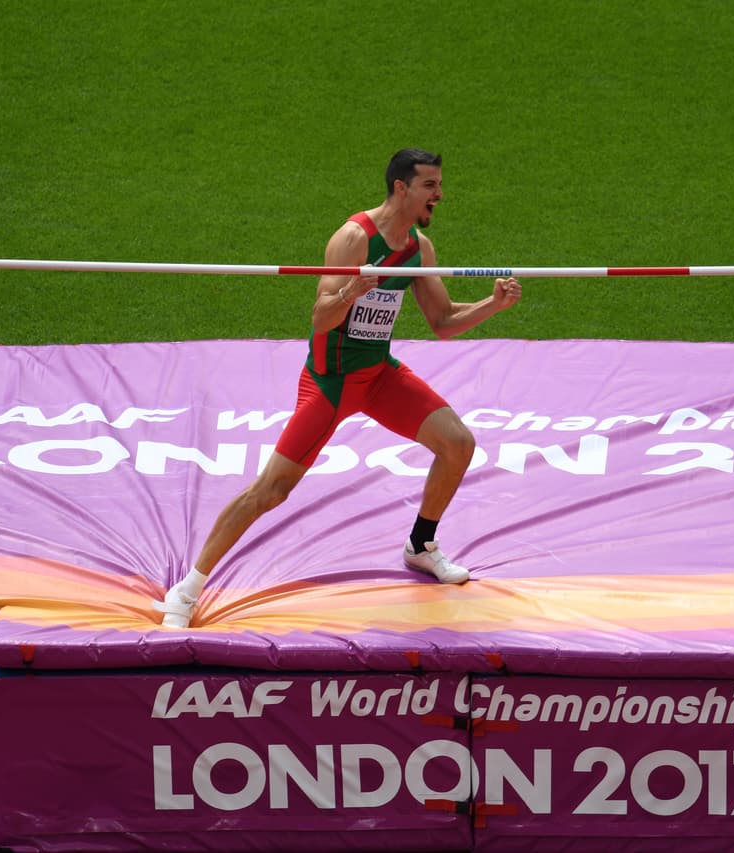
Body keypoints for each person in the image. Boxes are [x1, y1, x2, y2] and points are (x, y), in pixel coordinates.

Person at [155, 148, 522, 628]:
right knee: (272, 490)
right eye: (430, 185)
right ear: (401, 188)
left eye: (438, 185)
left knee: (458, 444)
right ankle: (187, 590)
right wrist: (353, 291)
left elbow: (443, 321)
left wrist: (492, 305)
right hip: (331, 384)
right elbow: (320, 318)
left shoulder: (418, 249)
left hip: (380, 377)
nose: (439, 194)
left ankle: (420, 545)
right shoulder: (353, 239)